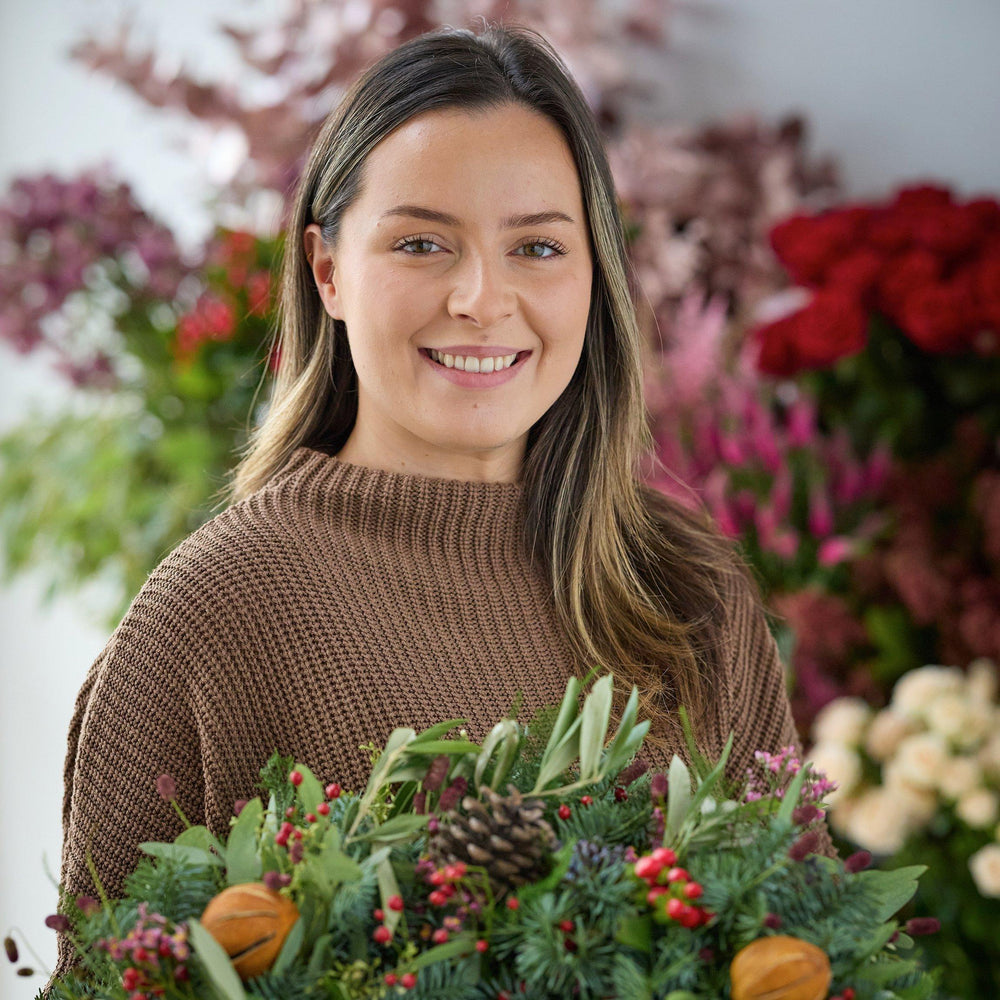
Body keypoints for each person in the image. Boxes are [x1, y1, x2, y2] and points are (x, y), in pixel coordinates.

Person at [57, 21, 815, 974]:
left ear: (594, 276)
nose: (481, 299)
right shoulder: (213, 615)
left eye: (538, 248)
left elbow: (805, 955)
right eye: (422, 243)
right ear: (328, 271)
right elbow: (108, 981)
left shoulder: (681, 587)